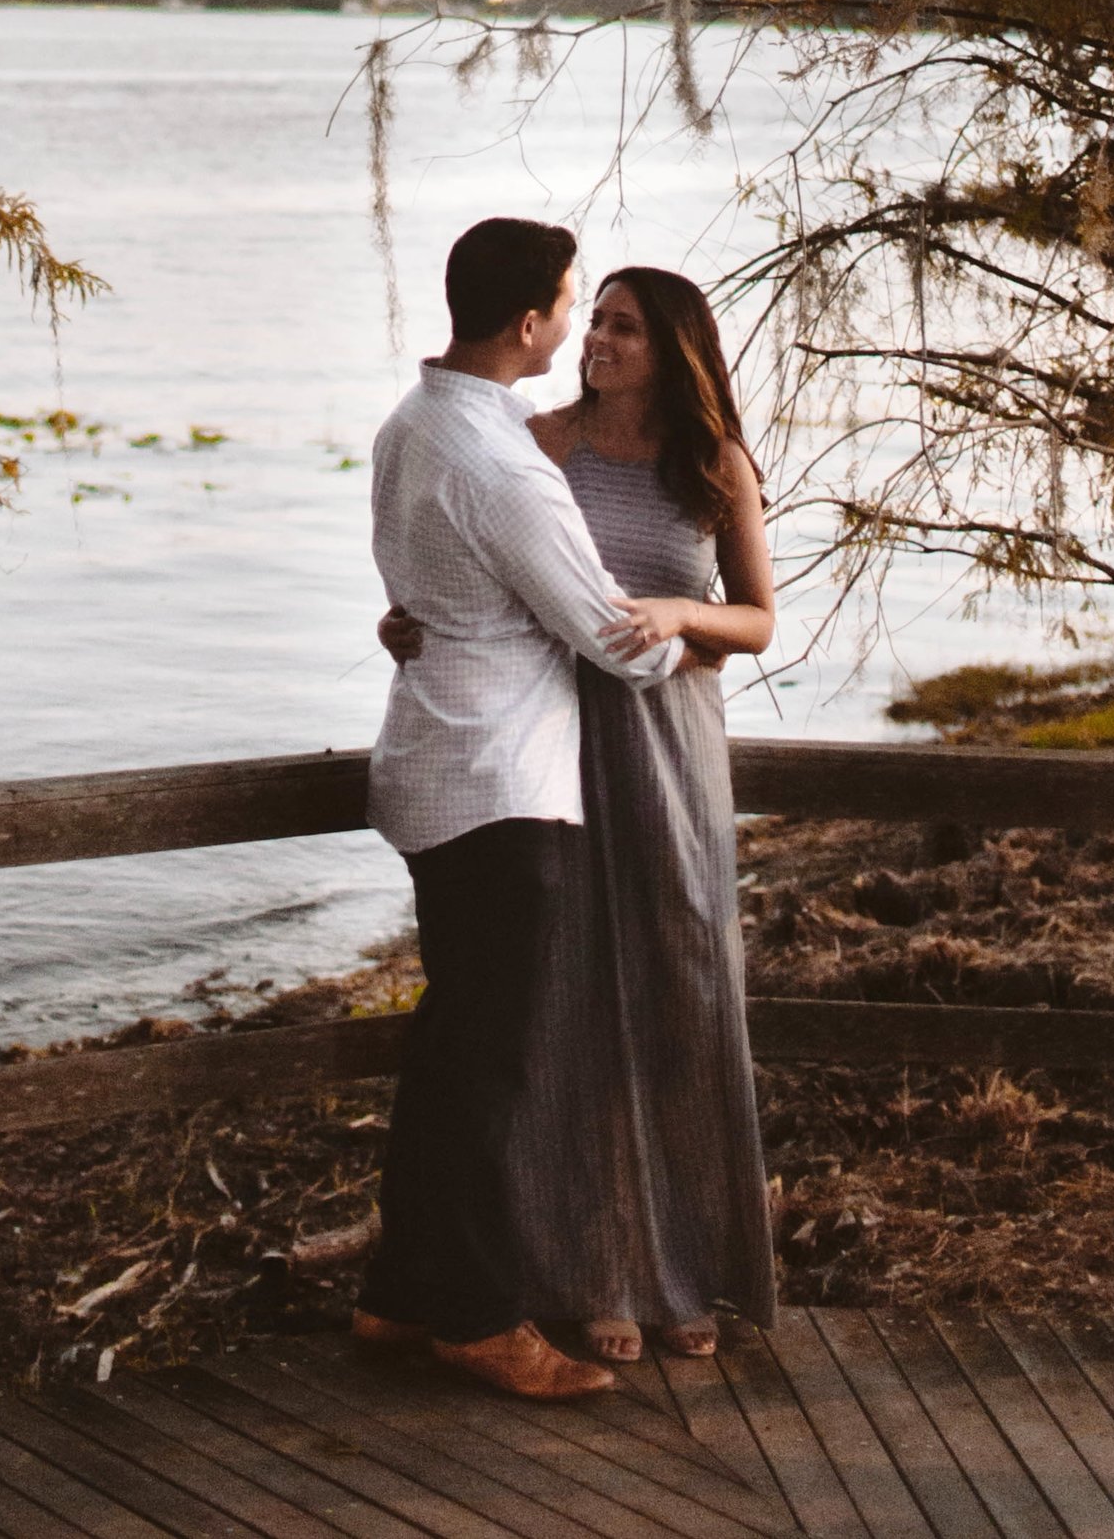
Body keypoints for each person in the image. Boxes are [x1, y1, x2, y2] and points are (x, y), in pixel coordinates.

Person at [382, 261, 778, 1365]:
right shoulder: (537, 443)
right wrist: (413, 619)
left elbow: (756, 620)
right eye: (591, 319)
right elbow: (468, 555)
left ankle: (686, 1272)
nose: (598, 341)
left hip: (672, 747)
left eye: (623, 329)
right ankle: (590, 1272)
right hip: (555, 744)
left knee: (681, 989)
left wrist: (676, 609)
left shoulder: (714, 464)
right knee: (568, 1009)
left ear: (673, 350)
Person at [356, 215, 689, 1403]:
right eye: (567, 300)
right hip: (501, 788)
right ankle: (479, 1318)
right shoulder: (501, 465)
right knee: (489, 1067)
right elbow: (613, 639)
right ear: (529, 323)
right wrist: (672, 635)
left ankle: (400, 1291)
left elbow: (421, 584)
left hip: (430, 765)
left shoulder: (413, 426)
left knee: (449, 1048)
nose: (574, 316)